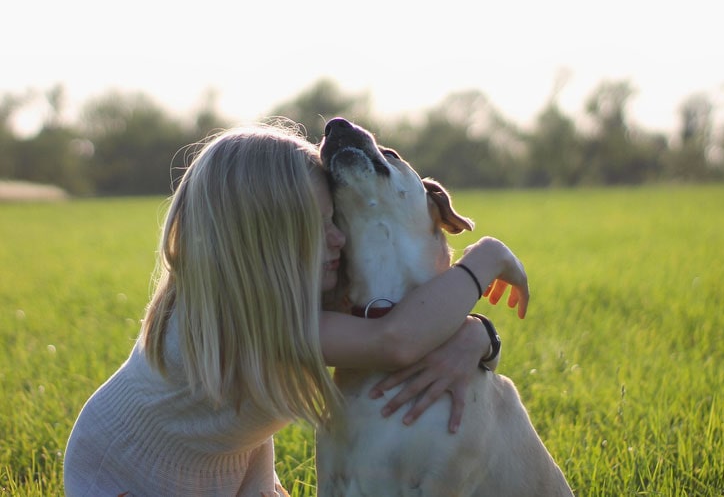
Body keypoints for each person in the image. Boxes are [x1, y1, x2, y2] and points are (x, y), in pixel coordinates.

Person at [63, 122, 529, 496]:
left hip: (224, 467)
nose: (339, 238)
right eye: (320, 224)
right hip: (127, 471)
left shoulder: (289, 293)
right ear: (263, 242)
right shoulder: (245, 320)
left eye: (336, 219)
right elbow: (394, 340)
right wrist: (486, 258)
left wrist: (477, 335)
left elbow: (408, 320)